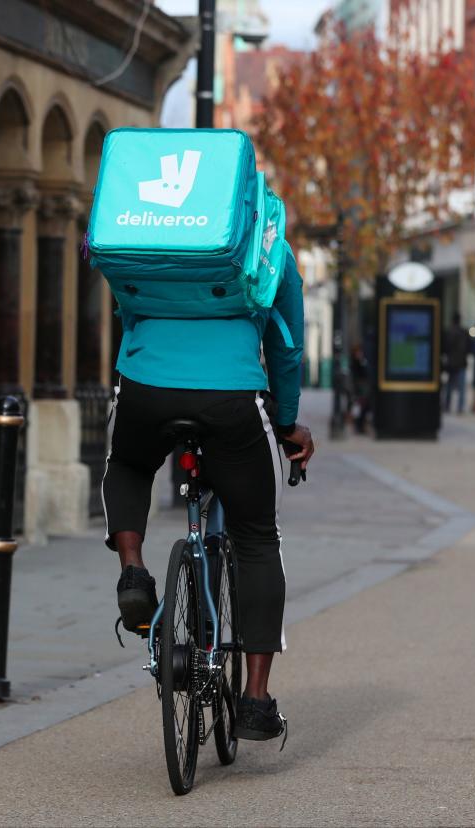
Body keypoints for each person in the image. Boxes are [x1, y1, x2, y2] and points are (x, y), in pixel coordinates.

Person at [103, 246, 313, 743]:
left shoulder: (153, 226)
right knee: (258, 536)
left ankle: (132, 569)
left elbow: (126, 301)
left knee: (129, 464)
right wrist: (286, 423)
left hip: (145, 385)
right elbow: (286, 342)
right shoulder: (263, 235)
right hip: (230, 395)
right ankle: (256, 702)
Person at [442, 313, 470, 415]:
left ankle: (446, 405)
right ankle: (460, 407)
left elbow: (444, 347)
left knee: (449, 384)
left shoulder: (449, 332)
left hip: (451, 362)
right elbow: (469, 347)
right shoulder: (464, 332)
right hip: (461, 362)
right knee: (461, 387)